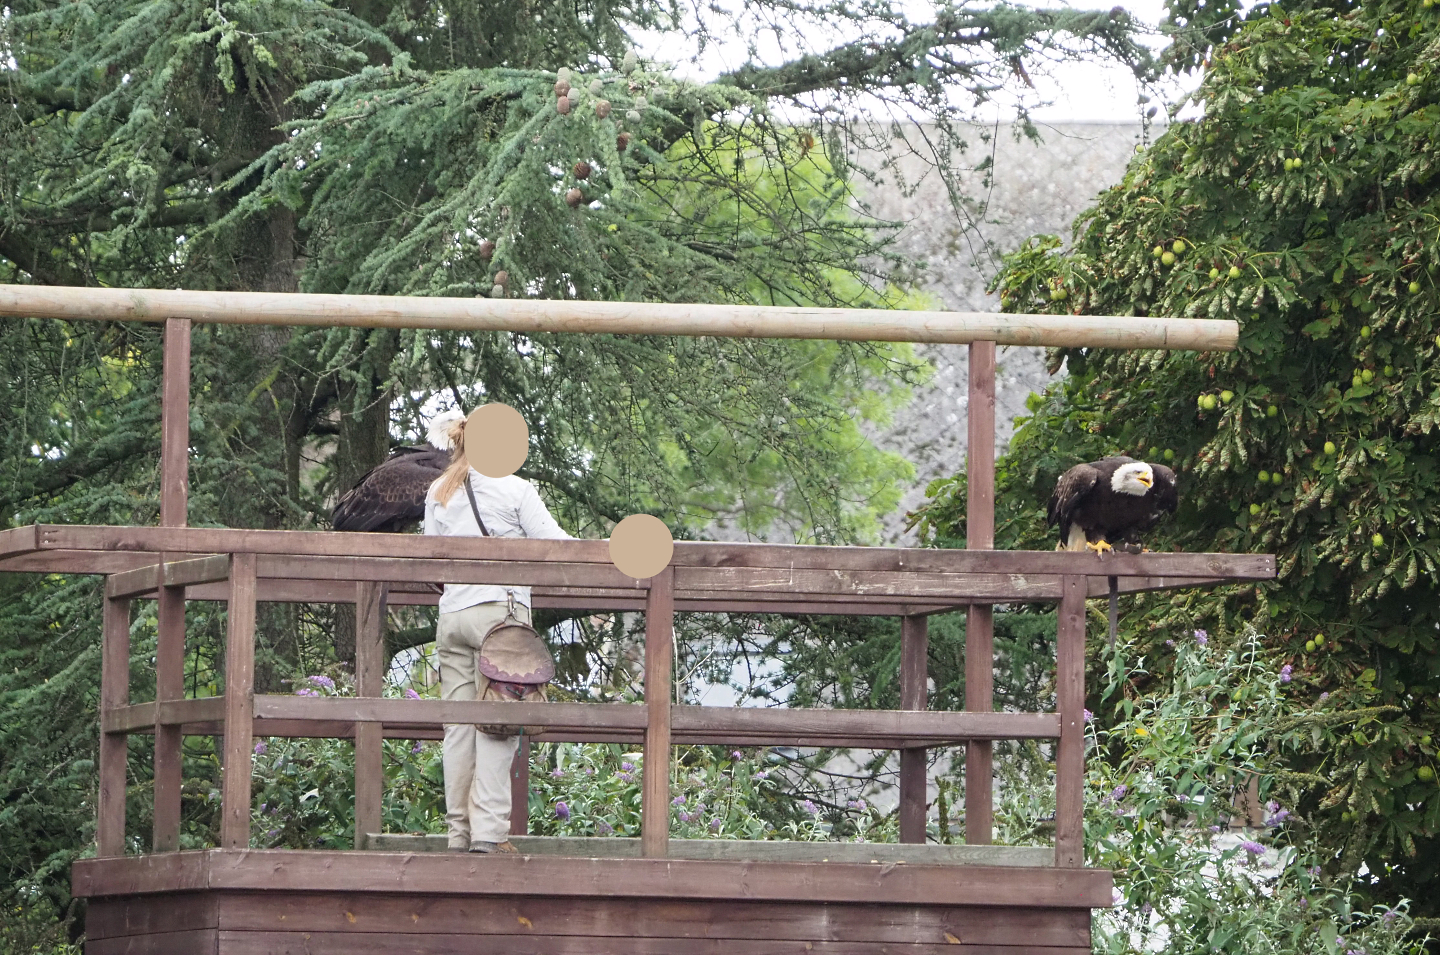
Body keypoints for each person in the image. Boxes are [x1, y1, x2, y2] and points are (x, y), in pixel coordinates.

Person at [422, 413, 572, 853]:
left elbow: (431, 560)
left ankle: (457, 835)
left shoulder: (439, 491)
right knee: (498, 726)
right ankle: (487, 837)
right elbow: (556, 546)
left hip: (452, 618)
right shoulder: (516, 489)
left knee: (460, 728)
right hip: (499, 618)